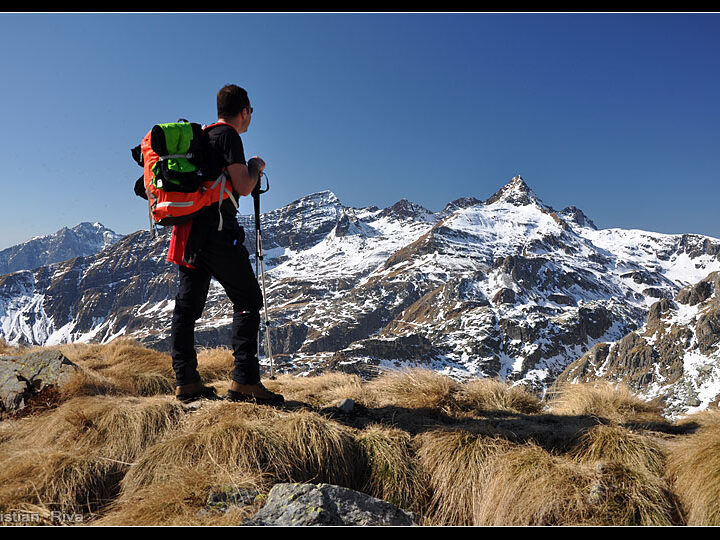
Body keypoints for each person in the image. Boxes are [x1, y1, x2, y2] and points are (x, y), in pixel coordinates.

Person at [168, 84, 284, 406]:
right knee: (248, 298)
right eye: (251, 113)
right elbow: (244, 187)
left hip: (190, 233)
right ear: (244, 111)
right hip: (218, 232)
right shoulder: (229, 137)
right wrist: (256, 167)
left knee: (187, 308)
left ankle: (186, 381)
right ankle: (245, 381)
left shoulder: (202, 137)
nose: (251, 119)